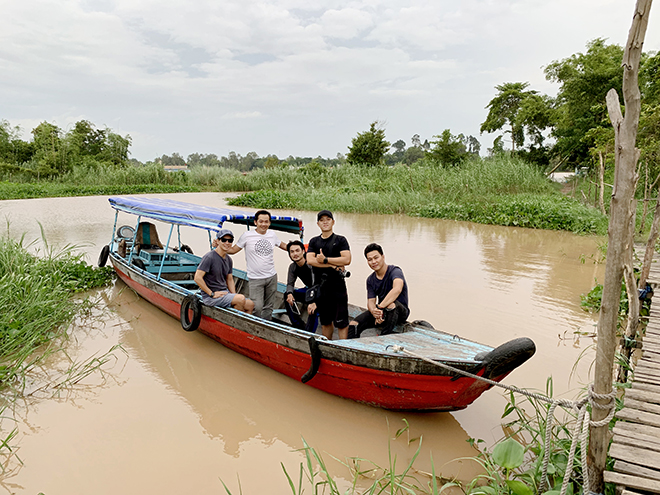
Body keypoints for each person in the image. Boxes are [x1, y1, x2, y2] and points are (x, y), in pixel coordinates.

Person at [228, 210, 286, 320]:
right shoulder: (247, 235)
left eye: (266, 222)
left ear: (269, 223)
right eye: (261, 221)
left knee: (269, 307)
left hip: (271, 277)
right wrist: (220, 246)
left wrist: (299, 249)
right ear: (255, 222)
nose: (264, 224)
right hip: (255, 278)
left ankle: (266, 327)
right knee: (257, 307)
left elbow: (283, 245)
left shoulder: (272, 235)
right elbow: (233, 250)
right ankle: (254, 327)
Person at [306, 210, 351, 340]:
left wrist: (325, 260)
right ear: (318, 224)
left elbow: (347, 259)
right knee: (325, 321)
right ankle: (328, 345)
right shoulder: (314, 241)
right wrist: (333, 265)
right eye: (322, 220)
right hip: (321, 287)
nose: (325, 222)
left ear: (333, 222)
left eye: (328, 219)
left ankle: (344, 347)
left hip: (338, 286)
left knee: (342, 322)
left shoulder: (341, 240)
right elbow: (310, 260)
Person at [348, 243, 409, 338]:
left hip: (400, 311)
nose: (373, 262)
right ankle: (350, 348)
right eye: (370, 259)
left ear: (383, 257)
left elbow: (397, 289)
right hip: (382, 311)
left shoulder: (395, 271)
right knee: (353, 324)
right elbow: (370, 302)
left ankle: (383, 338)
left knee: (391, 305)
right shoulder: (370, 279)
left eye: (376, 258)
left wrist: (380, 308)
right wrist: (374, 312)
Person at [194, 229, 254, 313]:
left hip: (224, 293)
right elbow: (197, 278)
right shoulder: (209, 257)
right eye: (224, 240)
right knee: (240, 299)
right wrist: (211, 293)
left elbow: (229, 279)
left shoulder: (229, 260)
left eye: (230, 241)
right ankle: (235, 323)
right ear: (218, 241)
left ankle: (242, 324)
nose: (227, 243)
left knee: (250, 304)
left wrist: (234, 295)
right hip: (210, 297)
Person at [284, 240, 319, 333]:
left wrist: (315, 301)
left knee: (313, 308)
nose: (295, 254)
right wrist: (290, 294)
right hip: (309, 291)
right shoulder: (293, 267)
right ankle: (298, 325)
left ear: (303, 251)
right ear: (289, 255)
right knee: (287, 295)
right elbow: (290, 284)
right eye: (292, 252)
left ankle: (309, 332)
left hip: (321, 292)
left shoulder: (311, 264)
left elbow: (320, 285)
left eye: (297, 250)